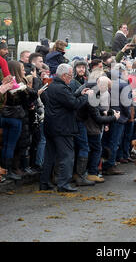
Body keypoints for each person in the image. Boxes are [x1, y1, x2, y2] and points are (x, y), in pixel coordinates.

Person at [39, 64, 93, 192]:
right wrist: (86, 96)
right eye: (70, 76)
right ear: (64, 76)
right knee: (67, 156)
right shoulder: (62, 88)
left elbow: (66, 101)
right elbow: (74, 104)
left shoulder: (51, 86)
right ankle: (63, 184)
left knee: (49, 156)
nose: (71, 78)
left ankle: (44, 182)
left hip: (50, 126)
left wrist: (80, 93)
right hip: (62, 127)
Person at [84, 76, 120, 182]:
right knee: (95, 149)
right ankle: (92, 172)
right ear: (98, 83)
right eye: (104, 85)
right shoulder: (94, 94)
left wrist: (107, 116)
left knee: (93, 148)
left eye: (107, 86)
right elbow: (98, 114)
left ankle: (91, 171)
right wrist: (112, 117)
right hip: (93, 126)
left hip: (95, 125)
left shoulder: (100, 93)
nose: (105, 88)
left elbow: (102, 109)